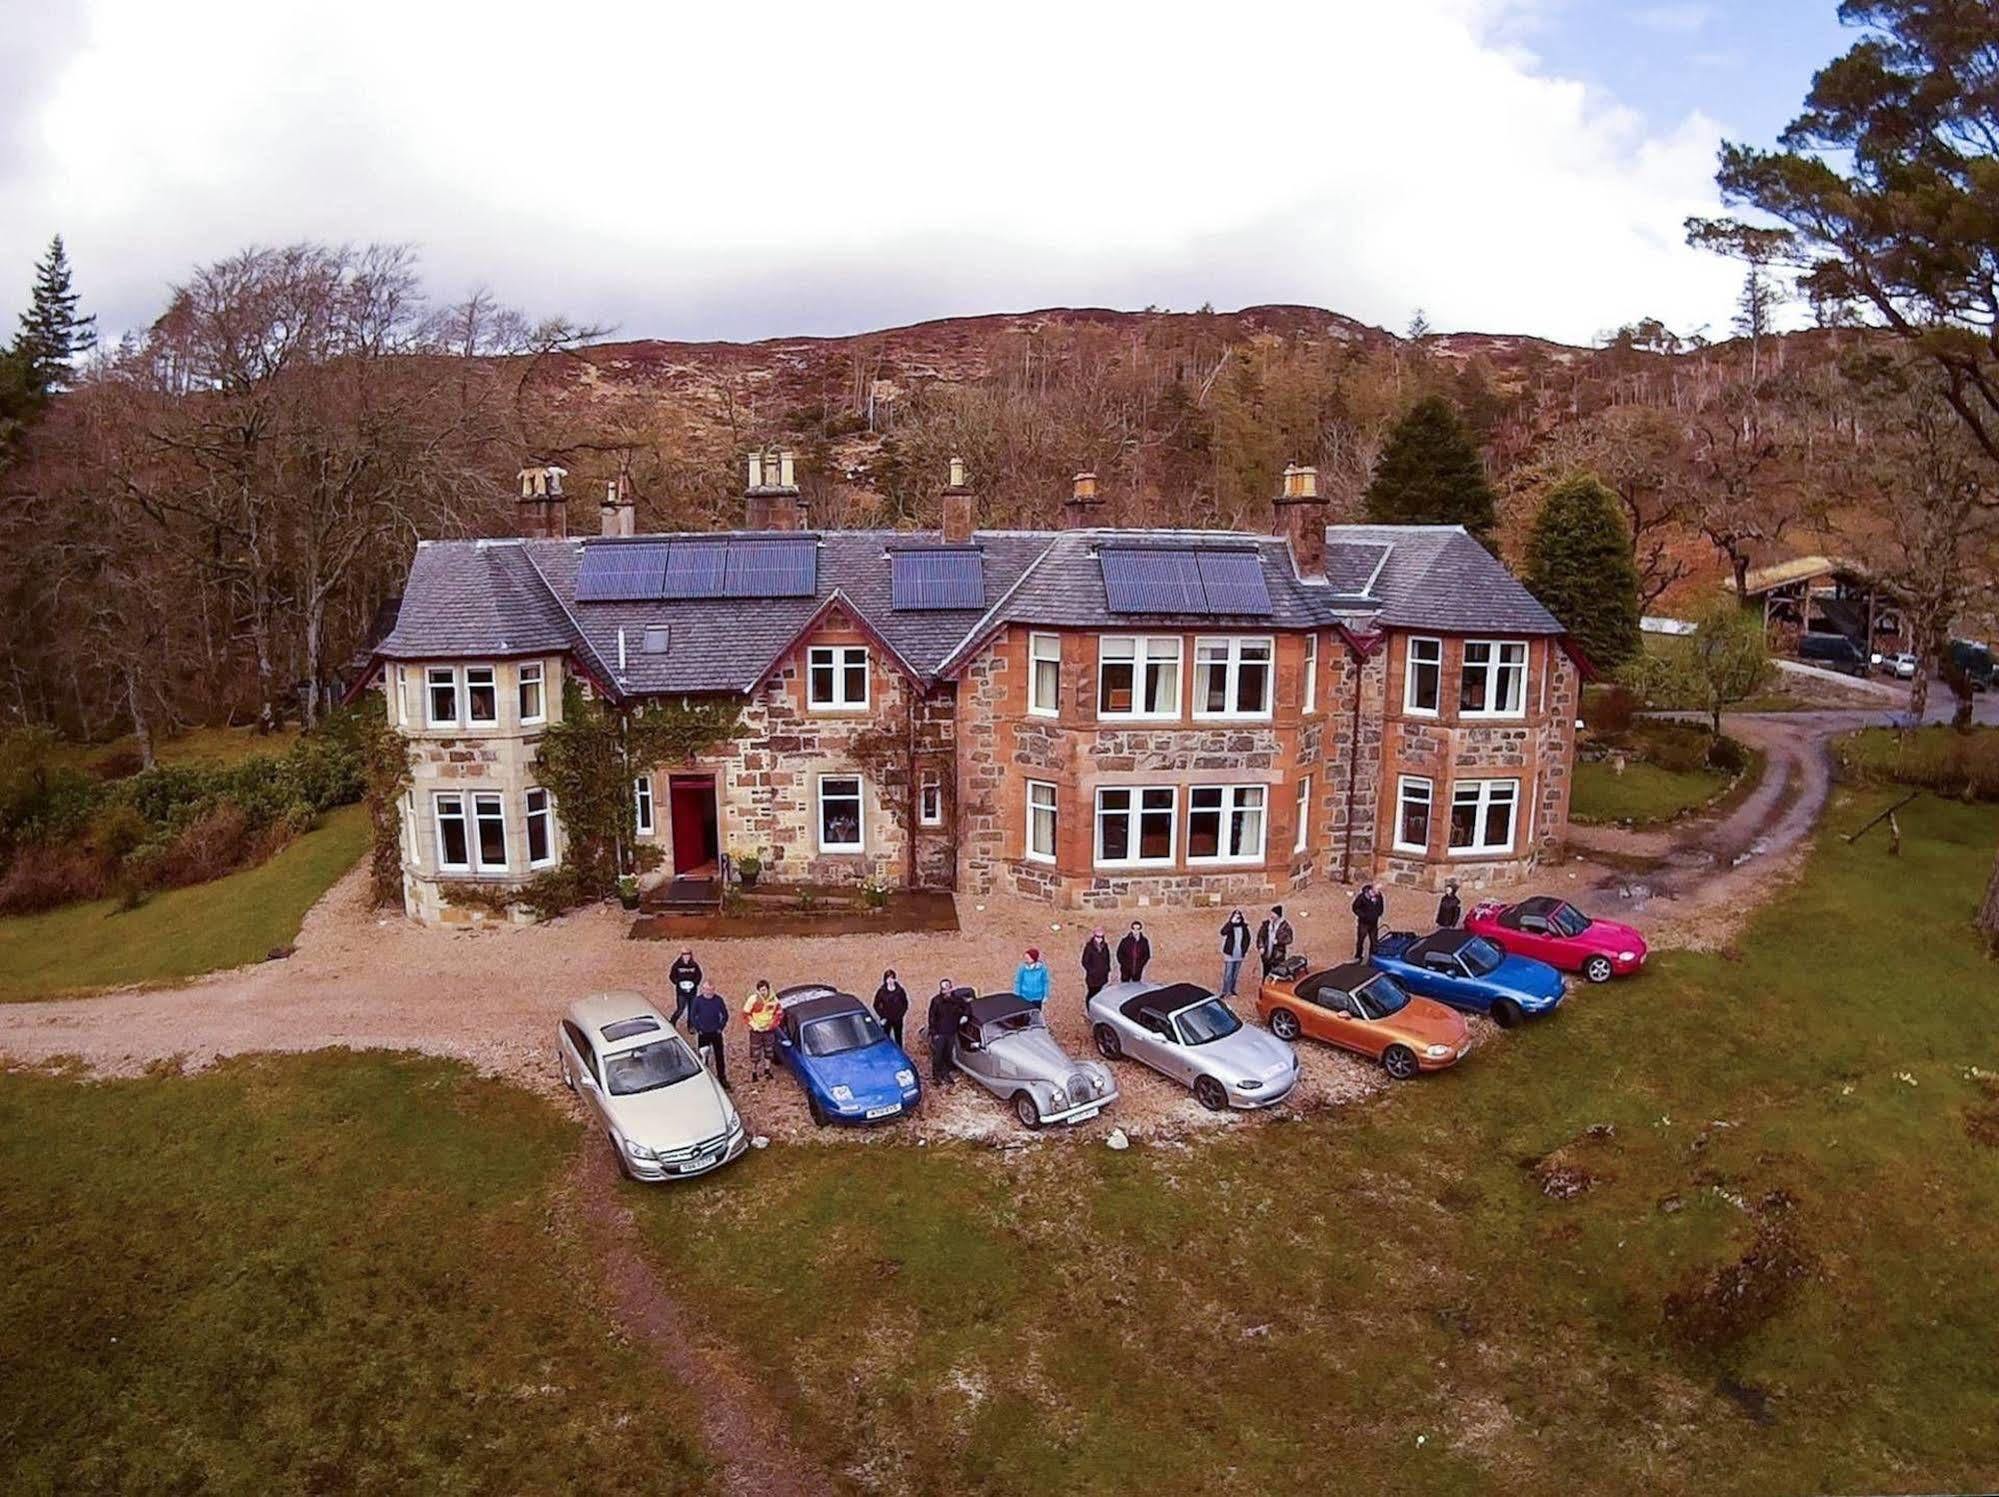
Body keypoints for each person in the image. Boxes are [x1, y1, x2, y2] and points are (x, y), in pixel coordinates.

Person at [689, 981, 730, 1090]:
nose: (708, 992)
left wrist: (720, 1028)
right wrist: (698, 1029)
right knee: (703, 1057)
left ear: (714, 990)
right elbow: (693, 1016)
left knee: (719, 1056)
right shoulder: (698, 1001)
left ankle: (722, 1078)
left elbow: (725, 1015)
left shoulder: (718, 1000)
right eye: (706, 989)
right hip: (703, 1033)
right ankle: (705, 1079)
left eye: (710, 990)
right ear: (702, 990)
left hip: (716, 1032)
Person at [924, 979, 963, 1088]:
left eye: (947, 988)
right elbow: (931, 1017)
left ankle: (946, 1074)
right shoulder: (936, 1001)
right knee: (938, 1056)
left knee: (947, 1055)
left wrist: (965, 1016)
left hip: (951, 1032)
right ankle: (936, 1077)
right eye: (943, 989)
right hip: (940, 1033)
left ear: (951, 988)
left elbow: (966, 1008)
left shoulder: (956, 1000)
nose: (946, 991)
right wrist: (933, 1033)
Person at [743, 979, 782, 1082]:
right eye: (761, 990)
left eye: (764, 990)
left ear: (768, 990)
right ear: (758, 991)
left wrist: (771, 1026)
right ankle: (754, 1072)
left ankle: (767, 1070)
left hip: (768, 1030)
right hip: (756, 1031)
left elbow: (778, 1015)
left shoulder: (774, 1000)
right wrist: (754, 1025)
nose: (762, 992)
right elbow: (746, 1014)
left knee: (769, 1051)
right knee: (755, 1052)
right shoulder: (753, 1000)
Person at [872, 969, 910, 1049]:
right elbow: (876, 1005)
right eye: (888, 978)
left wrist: (901, 1014)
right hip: (887, 1020)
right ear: (885, 980)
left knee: (898, 1037)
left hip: (897, 1019)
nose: (890, 981)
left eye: (892, 978)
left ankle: (900, 1052)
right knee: (886, 1038)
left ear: (895, 979)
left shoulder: (900, 991)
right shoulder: (881, 991)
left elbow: (905, 1003)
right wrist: (882, 1016)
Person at [1218, 910, 1252, 996]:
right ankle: (1225, 991)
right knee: (1228, 974)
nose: (1237, 918)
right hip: (1230, 954)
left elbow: (1247, 939)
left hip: (1239, 955)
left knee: (1235, 974)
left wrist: (1244, 950)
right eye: (1235, 916)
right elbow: (1223, 932)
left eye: (1239, 917)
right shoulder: (1230, 927)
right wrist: (1231, 923)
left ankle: (1232, 989)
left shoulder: (1244, 928)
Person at [1256, 904, 1294, 978]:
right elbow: (1260, 936)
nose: (1271, 915)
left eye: (1274, 914)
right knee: (1266, 973)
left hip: (1278, 956)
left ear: (1278, 915)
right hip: (1266, 954)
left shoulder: (1285, 926)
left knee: (1277, 974)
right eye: (1271, 913)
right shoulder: (1266, 924)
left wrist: (1278, 941)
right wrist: (1261, 947)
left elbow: (1289, 939)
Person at [667, 947, 702, 1027]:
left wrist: (694, 983)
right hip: (681, 992)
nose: (686, 956)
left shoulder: (694, 965)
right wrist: (678, 983)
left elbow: (699, 976)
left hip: (692, 992)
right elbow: (672, 976)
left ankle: (691, 1025)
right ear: (681, 955)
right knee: (680, 1009)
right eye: (684, 955)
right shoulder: (677, 965)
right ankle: (672, 1022)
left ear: (690, 955)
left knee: (692, 1010)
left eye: (688, 955)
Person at [1352, 883, 1386, 960]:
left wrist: (1378, 913)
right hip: (1364, 923)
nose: (1379, 892)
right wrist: (1363, 916)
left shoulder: (1379, 897)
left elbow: (1381, 906)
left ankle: (1372, 956)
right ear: (1373, 890)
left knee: (1374, 941)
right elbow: (1355, 908)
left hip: (1373, 923)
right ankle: (1358, 955)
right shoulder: (1362, 897)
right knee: (1361, 940)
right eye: (1377, 890)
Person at [1080, 927, 1113, 999]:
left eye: (1101, 937)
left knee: (1100, 993)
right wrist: (1092, 971)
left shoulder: (1105, 946)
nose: (1099, 939)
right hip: (1093, 977)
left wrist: (1107, 969)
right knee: (1091, 993)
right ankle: (1089, 1007)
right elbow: (1084, 962)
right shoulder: (1089, 947)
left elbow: (1107, 959)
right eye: (1098, 937)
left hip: (1102, 976)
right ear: (1094, 936)